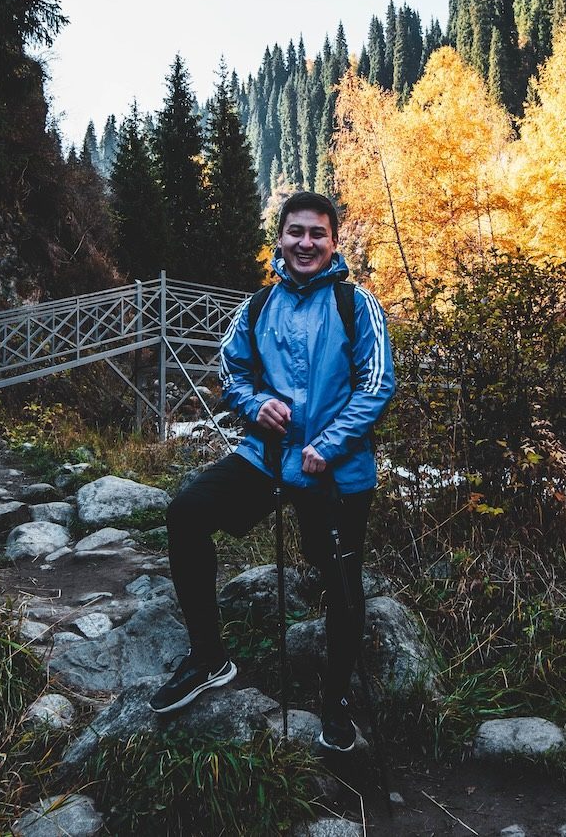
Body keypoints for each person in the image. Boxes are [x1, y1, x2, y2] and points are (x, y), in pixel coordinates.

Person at [148, 191, 395, 753]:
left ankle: (334, 702)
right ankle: (210, 658)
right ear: (279, 238)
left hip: (337, 468)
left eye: (317, 233)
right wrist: (254, 403)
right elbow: (230, 371)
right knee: (187, 513)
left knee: (339, 580)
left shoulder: (358, 307)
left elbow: (378, 384)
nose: (305, 243)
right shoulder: (257, 308)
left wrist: (329, 445)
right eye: (295, 232)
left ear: (333, 242)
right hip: (267, 456)